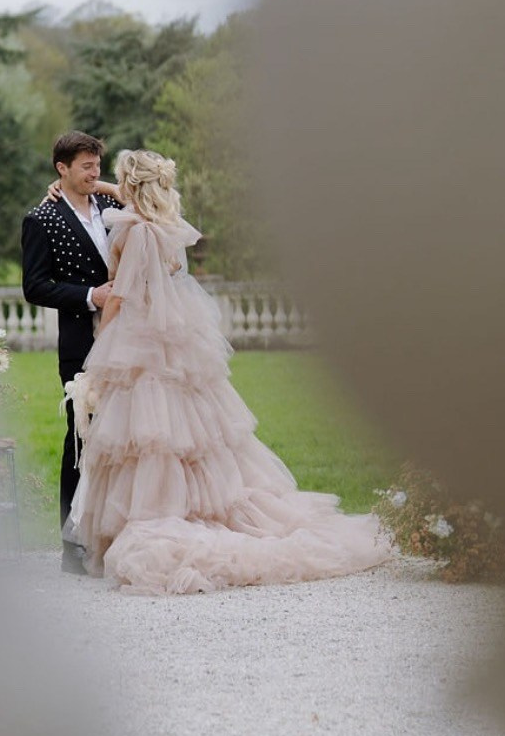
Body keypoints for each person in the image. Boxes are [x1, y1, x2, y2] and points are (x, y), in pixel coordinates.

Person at [65, 148, 394, 594]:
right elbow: (134, 202)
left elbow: (120, 296)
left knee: (149, 439)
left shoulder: (136, 232)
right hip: (167, 345)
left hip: (137, 341)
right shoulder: (160, 226)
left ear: (132, 186)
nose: (110, 185)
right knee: (186, 437)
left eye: (118, 179)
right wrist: (97, 188)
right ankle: (190, 508)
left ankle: (163, 517)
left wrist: (101, 348)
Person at [21, 131, 124, 573]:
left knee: (128, 438)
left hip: (128, 342)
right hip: (82, 345)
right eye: (86, 166)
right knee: (81, 439)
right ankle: (73, 547)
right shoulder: (41, 219)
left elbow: (152, 208)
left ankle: (115, 536)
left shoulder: (111, 207)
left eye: (97, 165)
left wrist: (104, 188)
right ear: (61, 168)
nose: (94, 172)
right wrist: (89, 296)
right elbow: (35, 286)